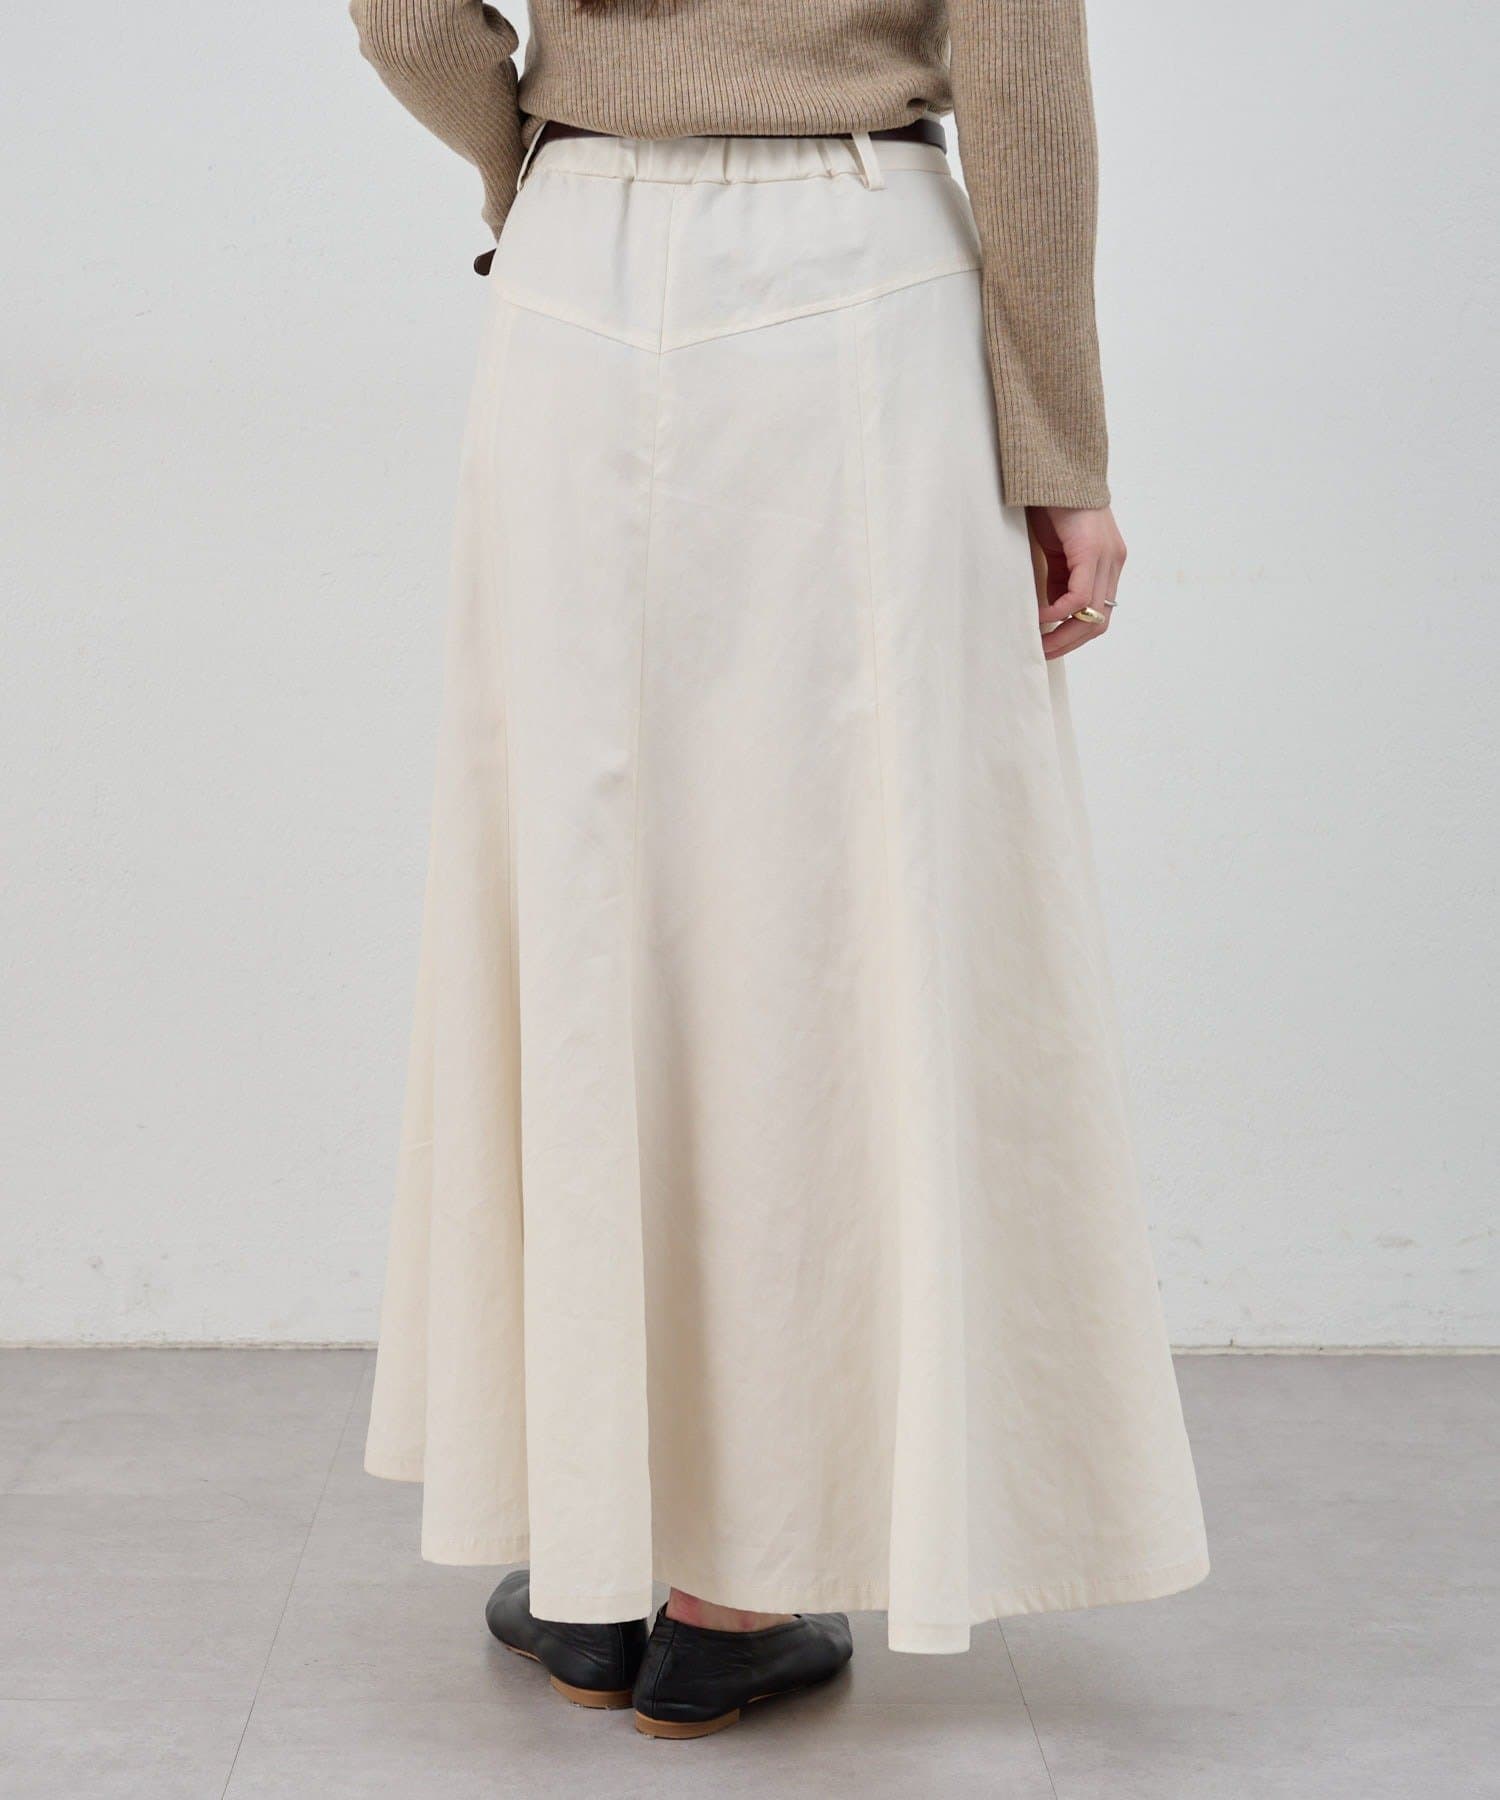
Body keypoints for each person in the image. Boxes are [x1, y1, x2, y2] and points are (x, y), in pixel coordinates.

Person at [350, 0, 1208, 1741]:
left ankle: (594, 1554)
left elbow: (405, 14)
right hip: (851, 275)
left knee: (580, 901)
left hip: (575, 266)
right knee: (826, 911)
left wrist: (539, 166)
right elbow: (1022, 83)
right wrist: (1061, 448)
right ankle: (732, 1594)